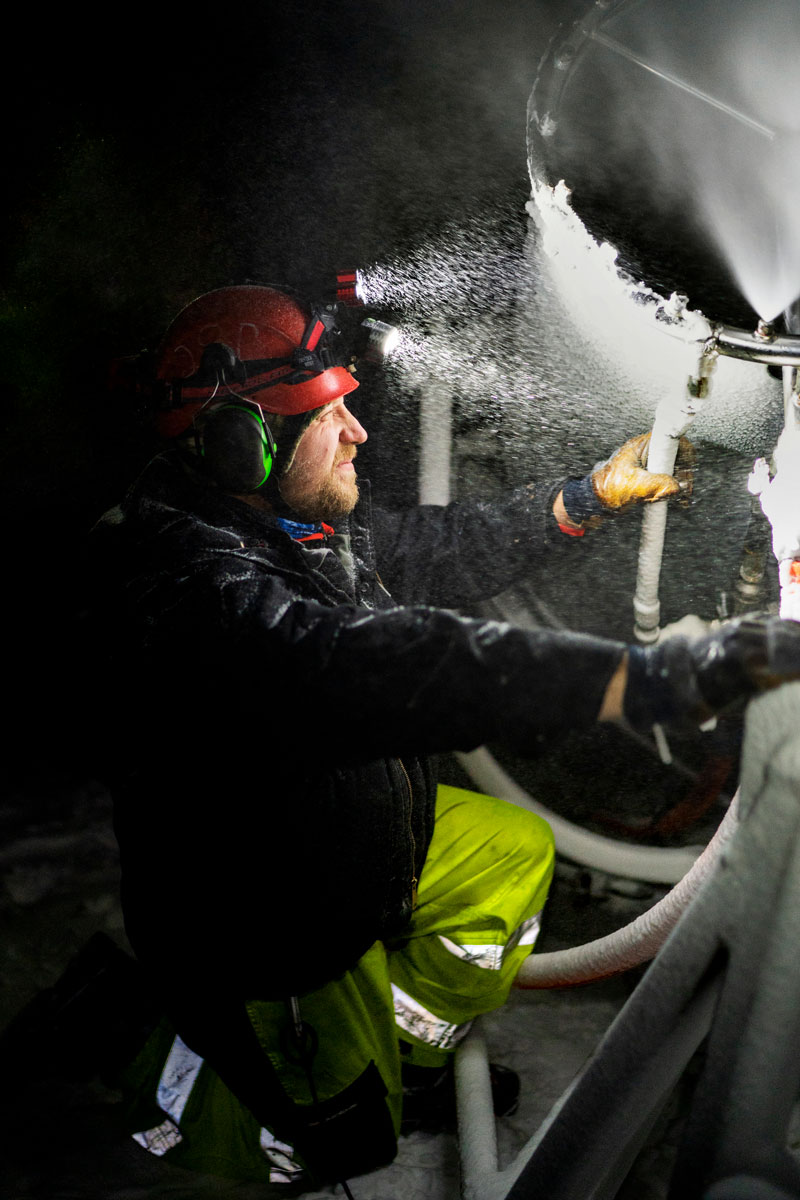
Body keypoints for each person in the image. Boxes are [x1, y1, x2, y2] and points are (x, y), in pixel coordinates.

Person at [83, 283, 799, 1192]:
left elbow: (431, 552)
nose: (359, 432)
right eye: (328, 415)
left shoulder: (282, 522)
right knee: (332, 1143)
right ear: (241, 446)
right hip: (272, 924)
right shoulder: (189, 591)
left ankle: (404, 1069)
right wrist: (644, 682)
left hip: (337, 841)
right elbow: (395, 664)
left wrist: (587, 497)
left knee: (511, 849)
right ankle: (228, 1113)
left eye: (348, 404)